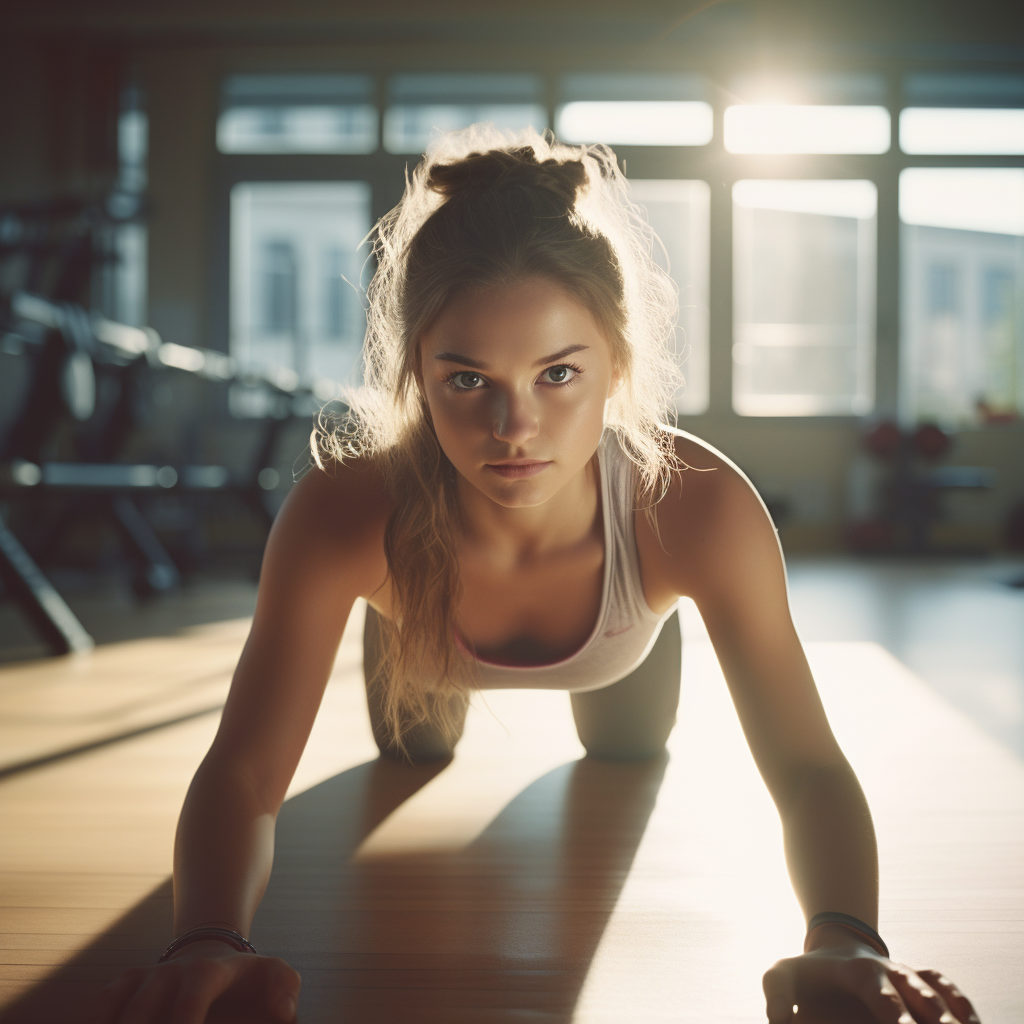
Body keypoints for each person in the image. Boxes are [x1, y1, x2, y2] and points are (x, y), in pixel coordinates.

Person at [88, 127, 979, 1024]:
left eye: (558, 373)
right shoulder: (343, 513)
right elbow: (243, 773)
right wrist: (207, 937)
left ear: (617, 366)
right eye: (468, 381)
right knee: (416, 749)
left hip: (621, 650)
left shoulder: (698, 505)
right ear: (417, 376)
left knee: (627, 748)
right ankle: (401, 635)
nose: (515, 428)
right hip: (422, 634)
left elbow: (807, 763)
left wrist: (846, 935)